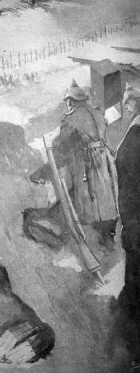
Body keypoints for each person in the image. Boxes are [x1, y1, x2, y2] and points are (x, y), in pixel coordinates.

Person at [51, 79, 118, 227]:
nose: (67, 104)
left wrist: (54, 144)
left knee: (87, 193)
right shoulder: (97, 112)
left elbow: (62, 142)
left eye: (67, 101)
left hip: (87, 158)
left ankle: (90, 226)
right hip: (103, 155)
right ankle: (108, 221)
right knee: (104, 189)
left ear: (71, 101)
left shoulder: (71, 117)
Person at [115, 83, 140, 361]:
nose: (126, 106)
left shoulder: (135, 137)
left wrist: (130, 227)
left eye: (129, 102)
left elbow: (131, 189)